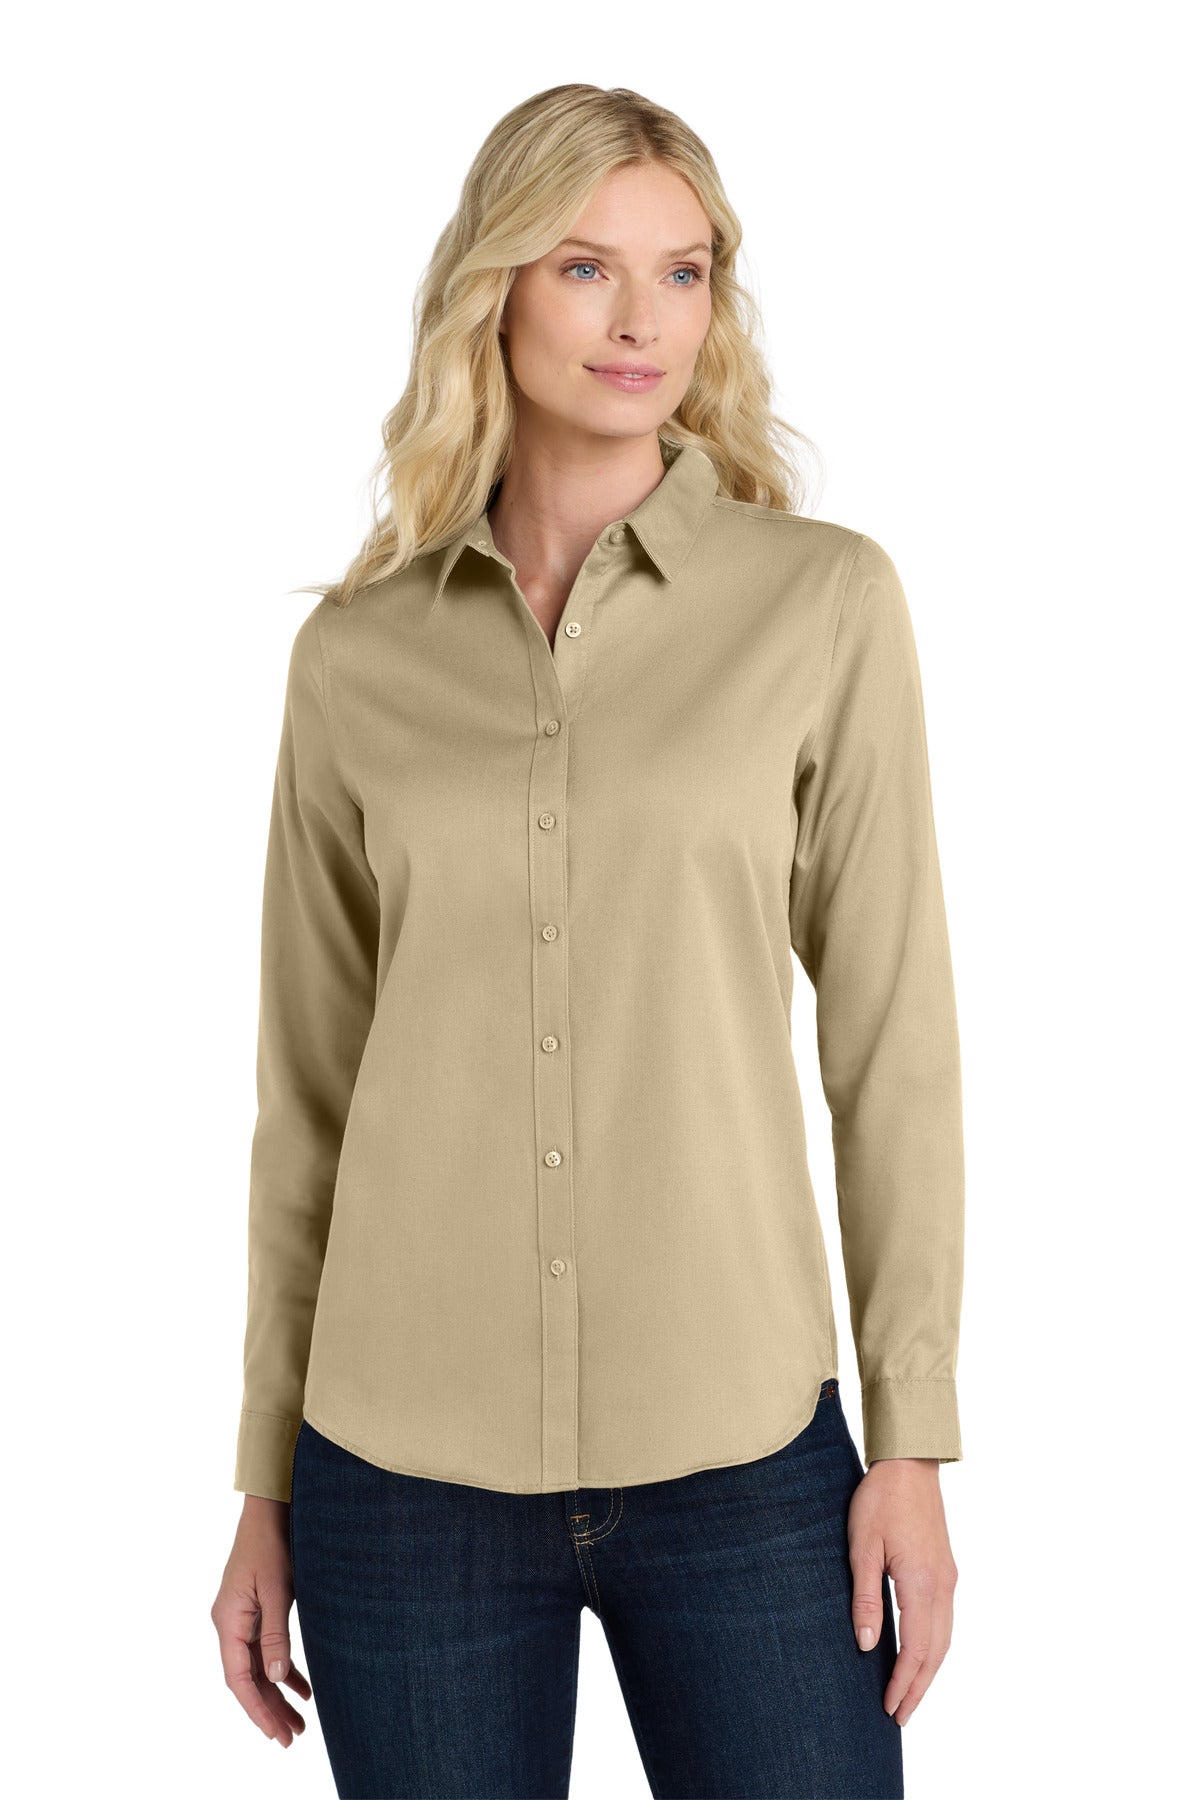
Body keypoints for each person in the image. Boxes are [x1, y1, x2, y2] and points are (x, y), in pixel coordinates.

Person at [211, 82, 964, 1800]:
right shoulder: (358, 657)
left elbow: (895, 1045)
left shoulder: (825, 604)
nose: (642, 321)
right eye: (584, 267)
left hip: (744, 1451)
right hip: (399, 1476)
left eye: (682, 272)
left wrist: (912, 1438)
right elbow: (306, 1103)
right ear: (493, 288)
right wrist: (264, 1482)